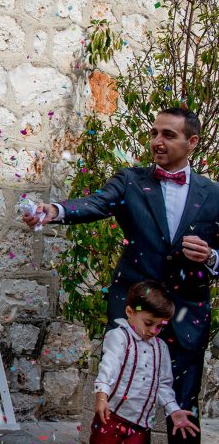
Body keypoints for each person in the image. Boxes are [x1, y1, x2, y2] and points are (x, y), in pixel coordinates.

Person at [23, 107, 219, 443]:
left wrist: (211, 256)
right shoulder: (131, 181)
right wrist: (54, 210)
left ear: (192, 142)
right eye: (154, 133)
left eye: (168, 134)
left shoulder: (214, 194)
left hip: (187, 312)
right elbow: (96, 203)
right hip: (134, 307)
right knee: (120, 397)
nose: (157, 141)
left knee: (184, 406)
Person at [91, 281, 199, 443]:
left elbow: (163, 384)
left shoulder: (161, 348)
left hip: (141, 426)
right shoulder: (120, 337)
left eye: (160, 326)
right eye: (148, 323)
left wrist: (173, 410)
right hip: (111, 417)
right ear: (130, 312)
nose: (153, 331)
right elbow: (109, 366)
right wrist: (101, 396)